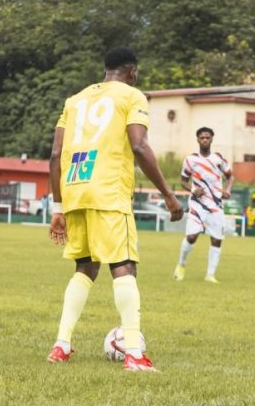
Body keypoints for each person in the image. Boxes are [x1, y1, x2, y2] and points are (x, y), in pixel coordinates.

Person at [46, 47, 183, 372]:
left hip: (75, 187)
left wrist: (58, 206)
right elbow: (139, 145)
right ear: (132, 71)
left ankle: (61, 345)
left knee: (85, 267)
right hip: (107, 190)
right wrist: (168, 194)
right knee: (124, 267)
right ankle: (134, 353)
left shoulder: (74, 100)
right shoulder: (132, 96)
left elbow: (55, 154)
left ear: (105, 69)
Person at [172, 127, 234, 283]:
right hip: (197, 204)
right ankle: (181, 265)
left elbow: (230, 176)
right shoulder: (190, 159)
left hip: (215, 204)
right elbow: (183, 181)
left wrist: (227, 190)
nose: (205, 139)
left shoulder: (218, 158)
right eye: (202, 137)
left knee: (216, 239)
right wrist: (193, 189)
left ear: (211, 139)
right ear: (198, 140)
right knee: (192, 237)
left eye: (207, 137)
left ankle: (210, 275)